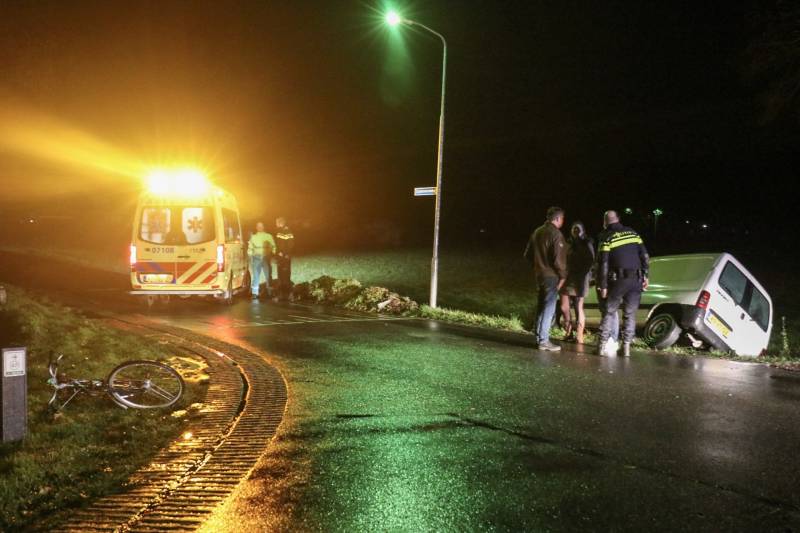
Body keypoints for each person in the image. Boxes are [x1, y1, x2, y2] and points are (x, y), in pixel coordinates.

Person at [596, 210, 650, 357]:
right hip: (636, 281)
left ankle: (601, 346)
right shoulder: (633, 233)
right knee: (630, 314)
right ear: (618, 219)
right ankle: (626, 348)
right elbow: (645, 255)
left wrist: (603, 285)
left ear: (605, 222)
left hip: (617, 281)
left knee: (609, 312)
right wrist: (646, 275)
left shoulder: (606, 237)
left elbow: (604, 264)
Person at [524, 206, 567, 351]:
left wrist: (538, 266)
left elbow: (528, 254)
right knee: (549, 307)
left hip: (539, 275)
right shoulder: (556, 234)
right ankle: (544, 340)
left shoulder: (537, 232)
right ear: (558, 218)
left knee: (541, 305)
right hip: (551, 276)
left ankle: (538, 336)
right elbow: (558, 261)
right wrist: (563, 275)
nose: (562, 221)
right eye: (562, 219)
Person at [558, 221, 595, 344]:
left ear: (583, 231)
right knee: (564, 307)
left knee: (578, 307)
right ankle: (568, 332)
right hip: (568, 277)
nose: (576, 231)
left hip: (581, 278)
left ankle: (579, 336)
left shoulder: (587, 243)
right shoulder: (568, 244)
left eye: (578, 229)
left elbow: (591, 261)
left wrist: (585, 275)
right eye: (574, 229)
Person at [247, 222, 276, 300]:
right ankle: (255, 293)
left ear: (263, 227)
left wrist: (272, 254)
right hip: (256, 258)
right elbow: (250, 248)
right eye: (258, 226)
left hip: (266, 257)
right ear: (256, 228)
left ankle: (270, 292)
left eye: (261, 226)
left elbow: (273, 246)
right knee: (256, 276)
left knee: (268, 275)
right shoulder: (253, 237)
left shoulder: (268, 236)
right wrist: (250, 256)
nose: (260, 228)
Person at [274, 217, 295, 302]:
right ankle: (282, 295)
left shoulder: (286, 231)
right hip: (282, 257)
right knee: (281, 276)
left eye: (276, 222)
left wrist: (283, 253)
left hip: (284, 258)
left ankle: (289, 295)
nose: (275, 224)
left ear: (280, 223)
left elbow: (290, 244)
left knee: (285, 276)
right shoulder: (281, 231)